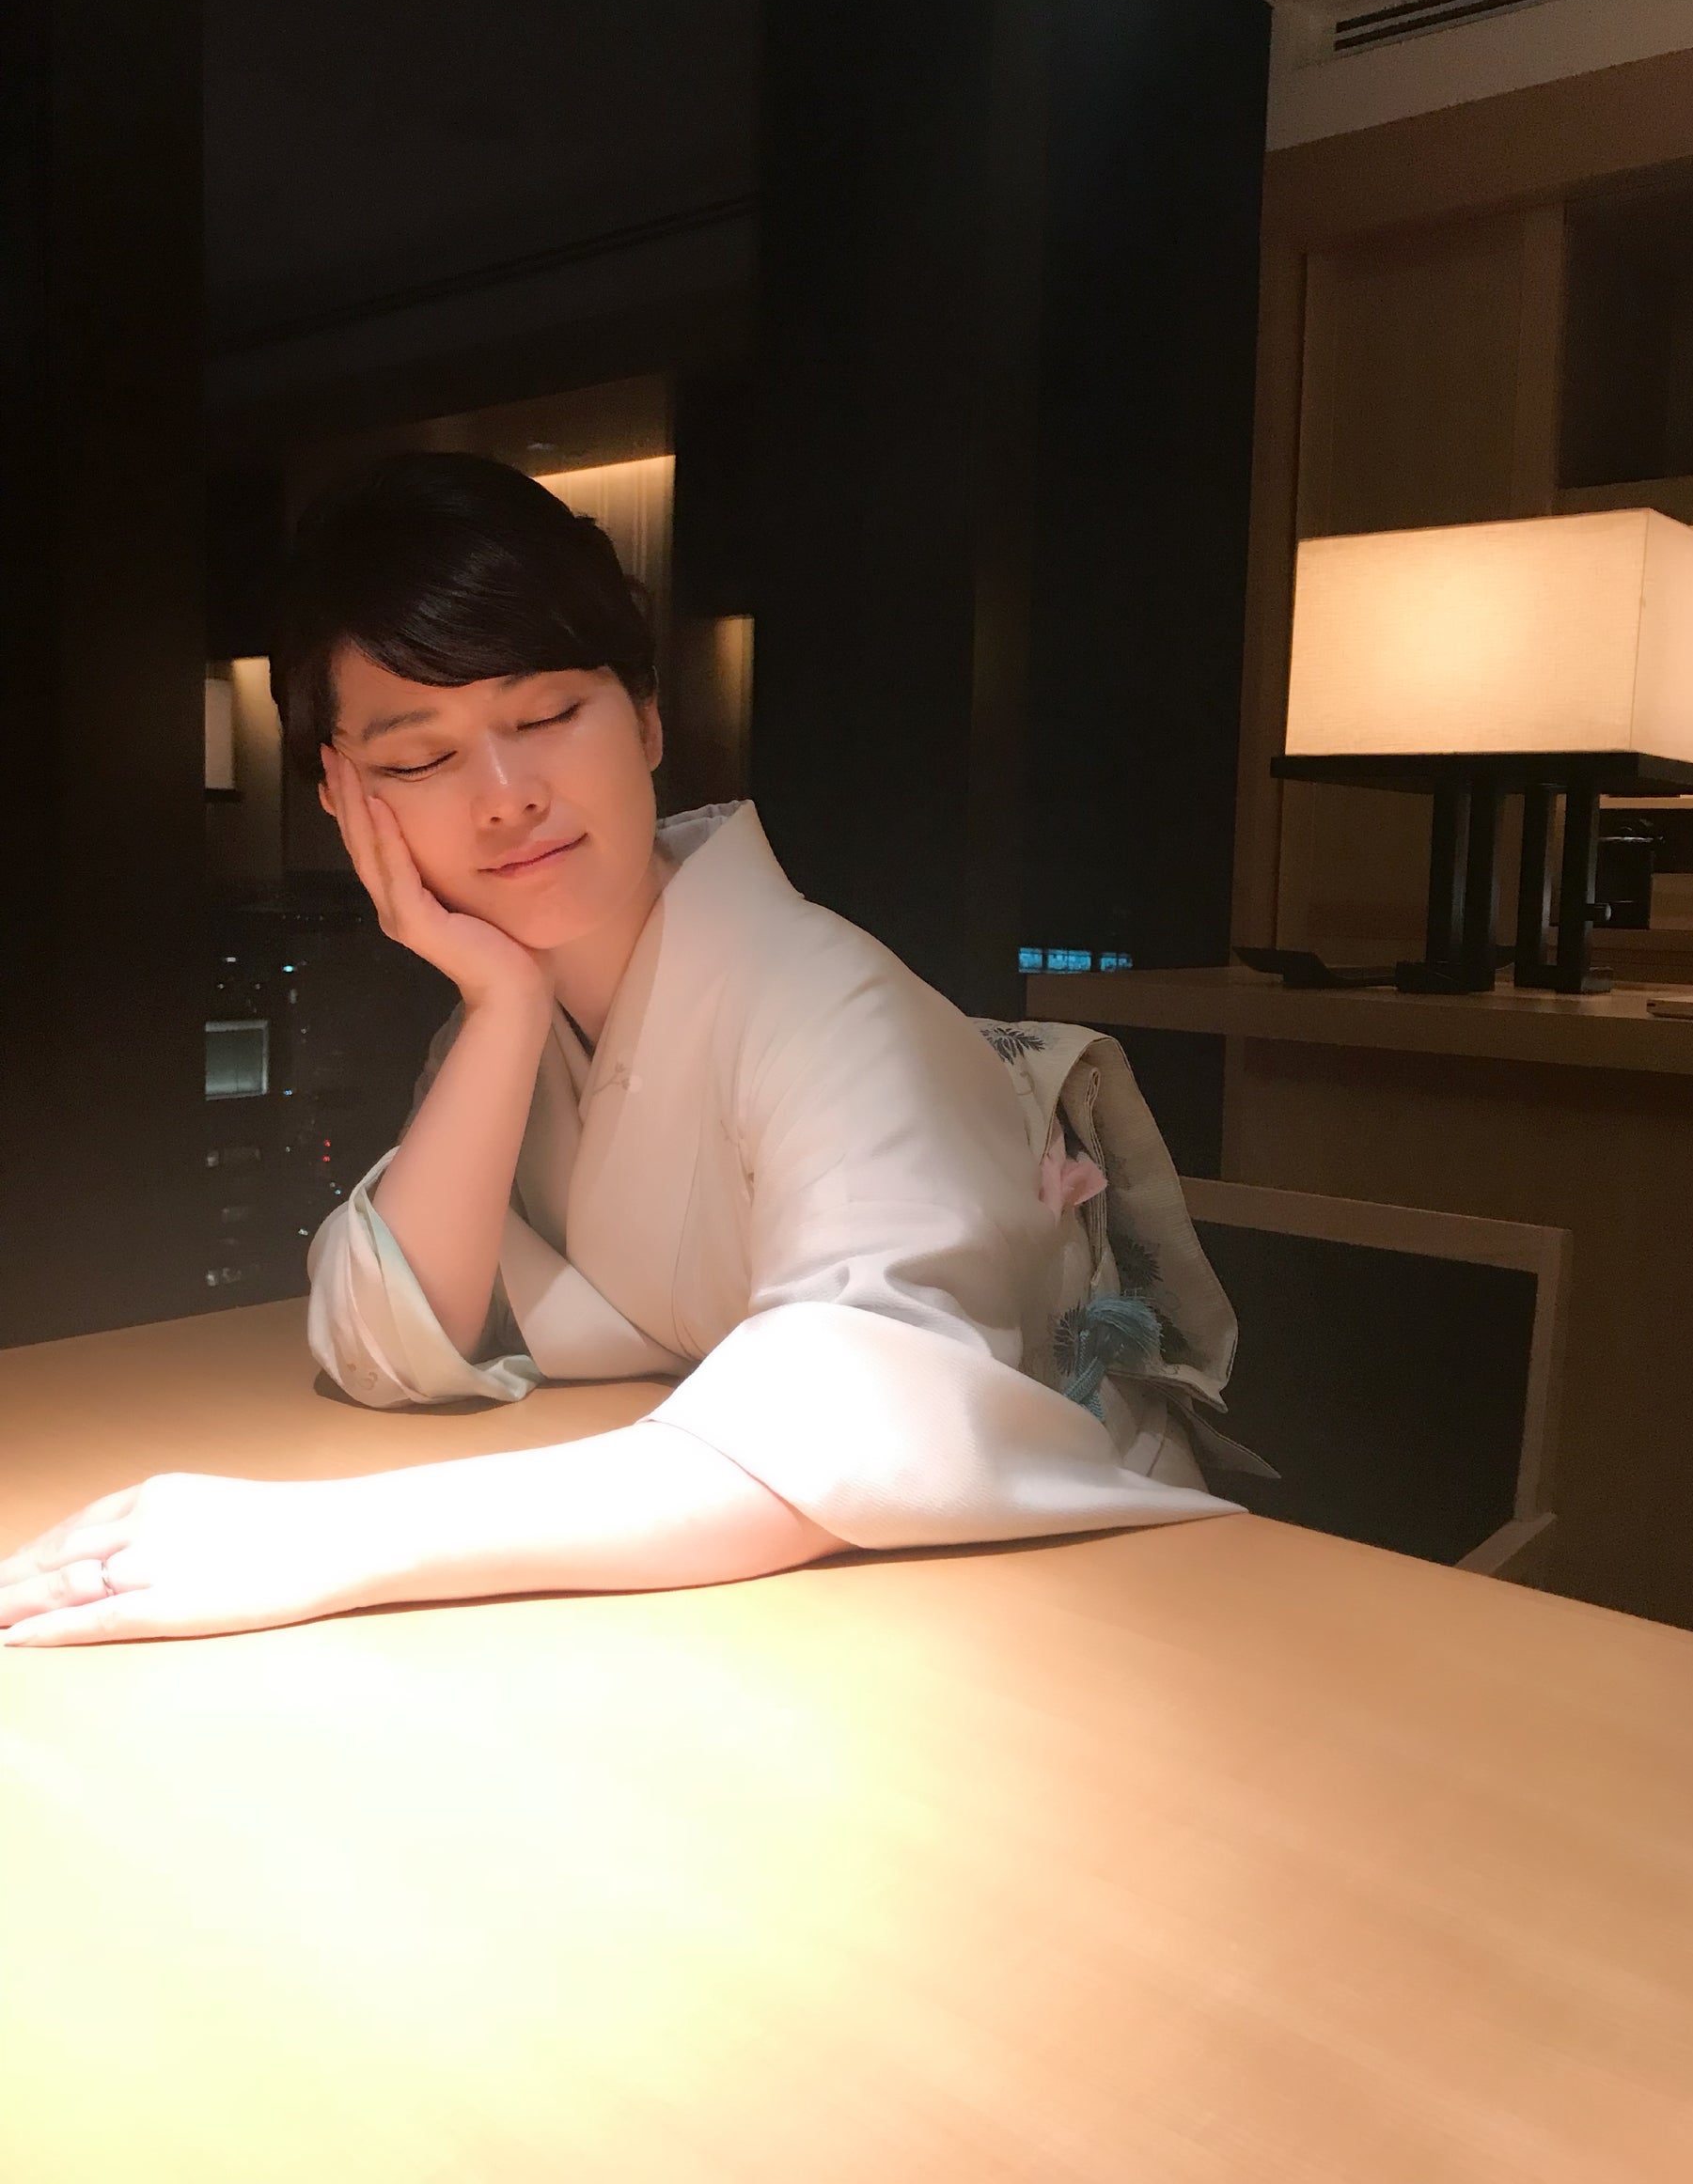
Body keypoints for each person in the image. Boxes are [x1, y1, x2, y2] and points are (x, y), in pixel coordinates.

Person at [0, 455, 1236, 1649]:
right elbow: (388, 1344)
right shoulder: (523, 1019)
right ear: (342, 798)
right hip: (760, 1594)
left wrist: (320, 1539)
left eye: (546, 714)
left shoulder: (832, 1005)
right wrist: (499, 1005)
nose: (504, 794)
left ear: (646, 717)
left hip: (1071, 1610)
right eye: (420, 757)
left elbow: (864, 1429)